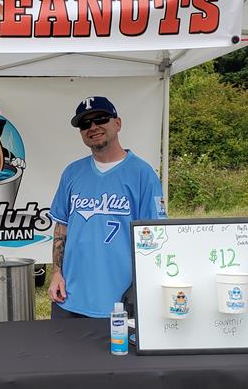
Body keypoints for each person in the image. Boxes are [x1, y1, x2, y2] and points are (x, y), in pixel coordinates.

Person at [48, 96, 166, 318]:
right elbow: (61, 228)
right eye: (85, 123)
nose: (93, 127)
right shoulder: (72, 173)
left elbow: (155, 237)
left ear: (117, 123)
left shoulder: (142, 173)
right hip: (71, 298)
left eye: (100, 119)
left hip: (122, 301)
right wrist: (56, 273)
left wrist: (144, 288)